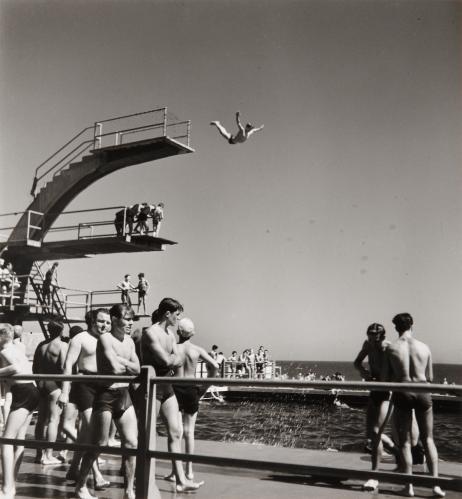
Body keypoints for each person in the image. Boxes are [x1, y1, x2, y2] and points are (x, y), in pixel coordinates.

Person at [74, 304, 140, 499]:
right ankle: (80, 486)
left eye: (131, 320)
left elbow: (137, 368)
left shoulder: (129, 341)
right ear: (115, 319)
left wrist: (124, 362)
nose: (130, 323)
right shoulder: (105, 339)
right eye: (127, 319)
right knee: (99, 443)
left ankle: (129, 491)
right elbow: (114, 369)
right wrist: (126, 365)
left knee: (131, 443)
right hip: (105, 395)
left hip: (123, 395)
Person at [141, 298, 203, 492]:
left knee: (175, 432)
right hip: (152, 386)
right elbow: (167, 360)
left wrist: (172, 359)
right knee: (147, 435)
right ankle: (142, 481)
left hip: (167, 387)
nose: (178, 318)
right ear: (167, 313)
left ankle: (181, 480)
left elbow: (176, 359)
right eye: (177, 314)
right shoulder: (151, 333)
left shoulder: (169, 333)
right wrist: (172, 359)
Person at [382, 313, 445, 498]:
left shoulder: (391, 348)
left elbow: (385, 378)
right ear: (412, 326)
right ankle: (435, 486)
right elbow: (431, 377)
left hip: (403, 391)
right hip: (422, 390)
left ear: (396, 328)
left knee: (405, 443)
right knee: (429, 440)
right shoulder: (424, 347)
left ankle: (408, 487)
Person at [57, 311, 110, 488]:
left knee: (86, 433)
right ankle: (97, 475)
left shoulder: (108, 339)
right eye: (101, 321)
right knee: (92, 431)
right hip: (84, 384)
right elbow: (68, 365)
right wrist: (65, 391)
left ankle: (73, 468)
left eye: (107, 322)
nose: (104, 325)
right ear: (93, 321)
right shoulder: (80, 338)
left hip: (103, 386)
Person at [163, 318, 219, 482]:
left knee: (175, 433)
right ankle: (189, 472)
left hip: (174, 388)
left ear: (179, 332)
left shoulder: (174, 349)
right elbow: (215, 366)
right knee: (189, 432)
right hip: (191, 390)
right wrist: (205, 386)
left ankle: (175, 472)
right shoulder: (196, 349)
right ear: (192, 333)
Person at [354, 323, 398, 491]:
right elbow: (357, 362)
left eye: (375, 336)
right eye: (370, 335)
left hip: (388, 393)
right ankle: (399, 454)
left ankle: (374, 476)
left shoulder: (389, 348)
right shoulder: (367, 345)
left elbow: (399, 372)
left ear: (382, 336)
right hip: (374, 391)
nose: (372, 339)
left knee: (376, 432)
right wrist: (363, 373)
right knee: (370, 435)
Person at [0, 323, 40, 498]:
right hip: (31, 390)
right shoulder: (17, 348)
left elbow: (15, 368)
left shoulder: (4, 352)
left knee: (6, 441)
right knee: (19, 439)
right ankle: (12, 480)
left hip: (23, 392)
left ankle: (8, 488)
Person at [32, 320, 68, 465]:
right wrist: (64, 390)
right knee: (54, 420)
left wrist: (40, 383)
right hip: (55, 385)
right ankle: (48, 455)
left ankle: (38, 454)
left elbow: (35, 367)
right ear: (61, 331)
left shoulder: (41, 345)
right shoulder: (62, 346)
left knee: (41, 421)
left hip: (42, 383)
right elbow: (64, 369)